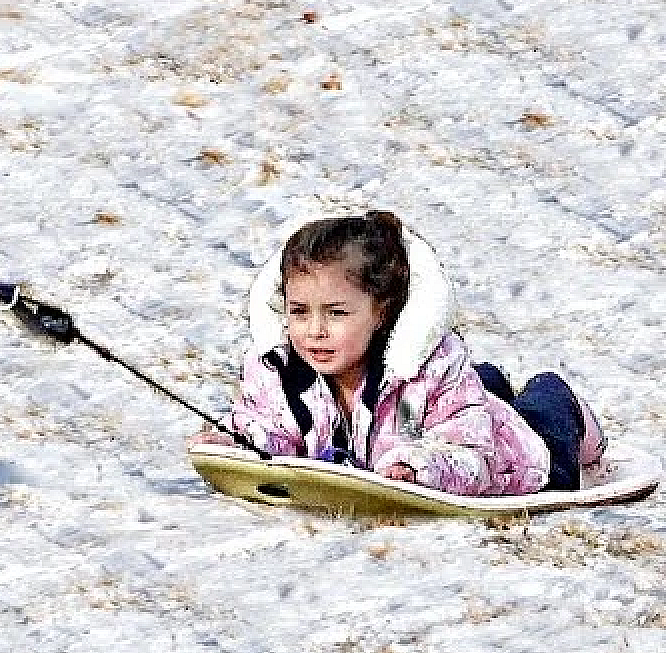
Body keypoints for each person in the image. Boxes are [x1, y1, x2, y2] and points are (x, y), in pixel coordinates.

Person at [193, 211, 605, 496]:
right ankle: (486, 382)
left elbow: (472, 458)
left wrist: (418, 468)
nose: (315, 331)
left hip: (514, 459)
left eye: (336, 313)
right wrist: (240, 443)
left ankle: (558, 397)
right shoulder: (279, 369)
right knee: (472, 392)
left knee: (542, 427)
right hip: (452, 405)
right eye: (299, 312)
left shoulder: (429, 369)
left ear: (381, 312)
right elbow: (271, 427)